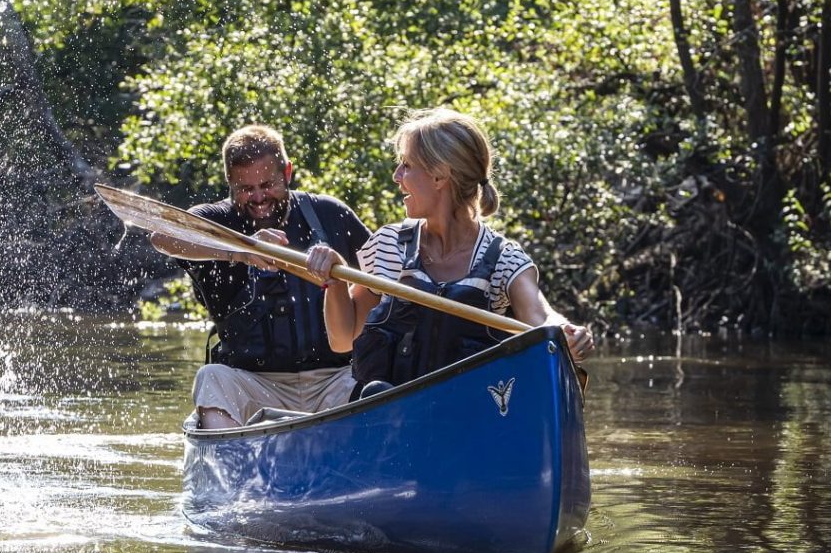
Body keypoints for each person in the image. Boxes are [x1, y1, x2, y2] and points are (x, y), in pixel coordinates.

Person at [304, 107, 594, 389]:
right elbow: (342, 339)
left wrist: (566, 334)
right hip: (392, 421)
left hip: (467, 416)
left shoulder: (504, 259)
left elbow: (542, 317)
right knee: (372, 390)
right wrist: (335, 280)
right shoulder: (388, 245)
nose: (396, 176)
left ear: (439, 176)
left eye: (406, 165)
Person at [150, 125, 371, 428]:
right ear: (230, 182)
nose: (258, 198)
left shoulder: (330, 214)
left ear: (288, 173)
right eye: (246, 189)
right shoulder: (216, 219)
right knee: (210, 377)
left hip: (335, 381)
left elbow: (379, 270)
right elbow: (162, 236)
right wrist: (241, 251)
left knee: (378, 377)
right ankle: (231, 467)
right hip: (253, 385)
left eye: (267, 185)